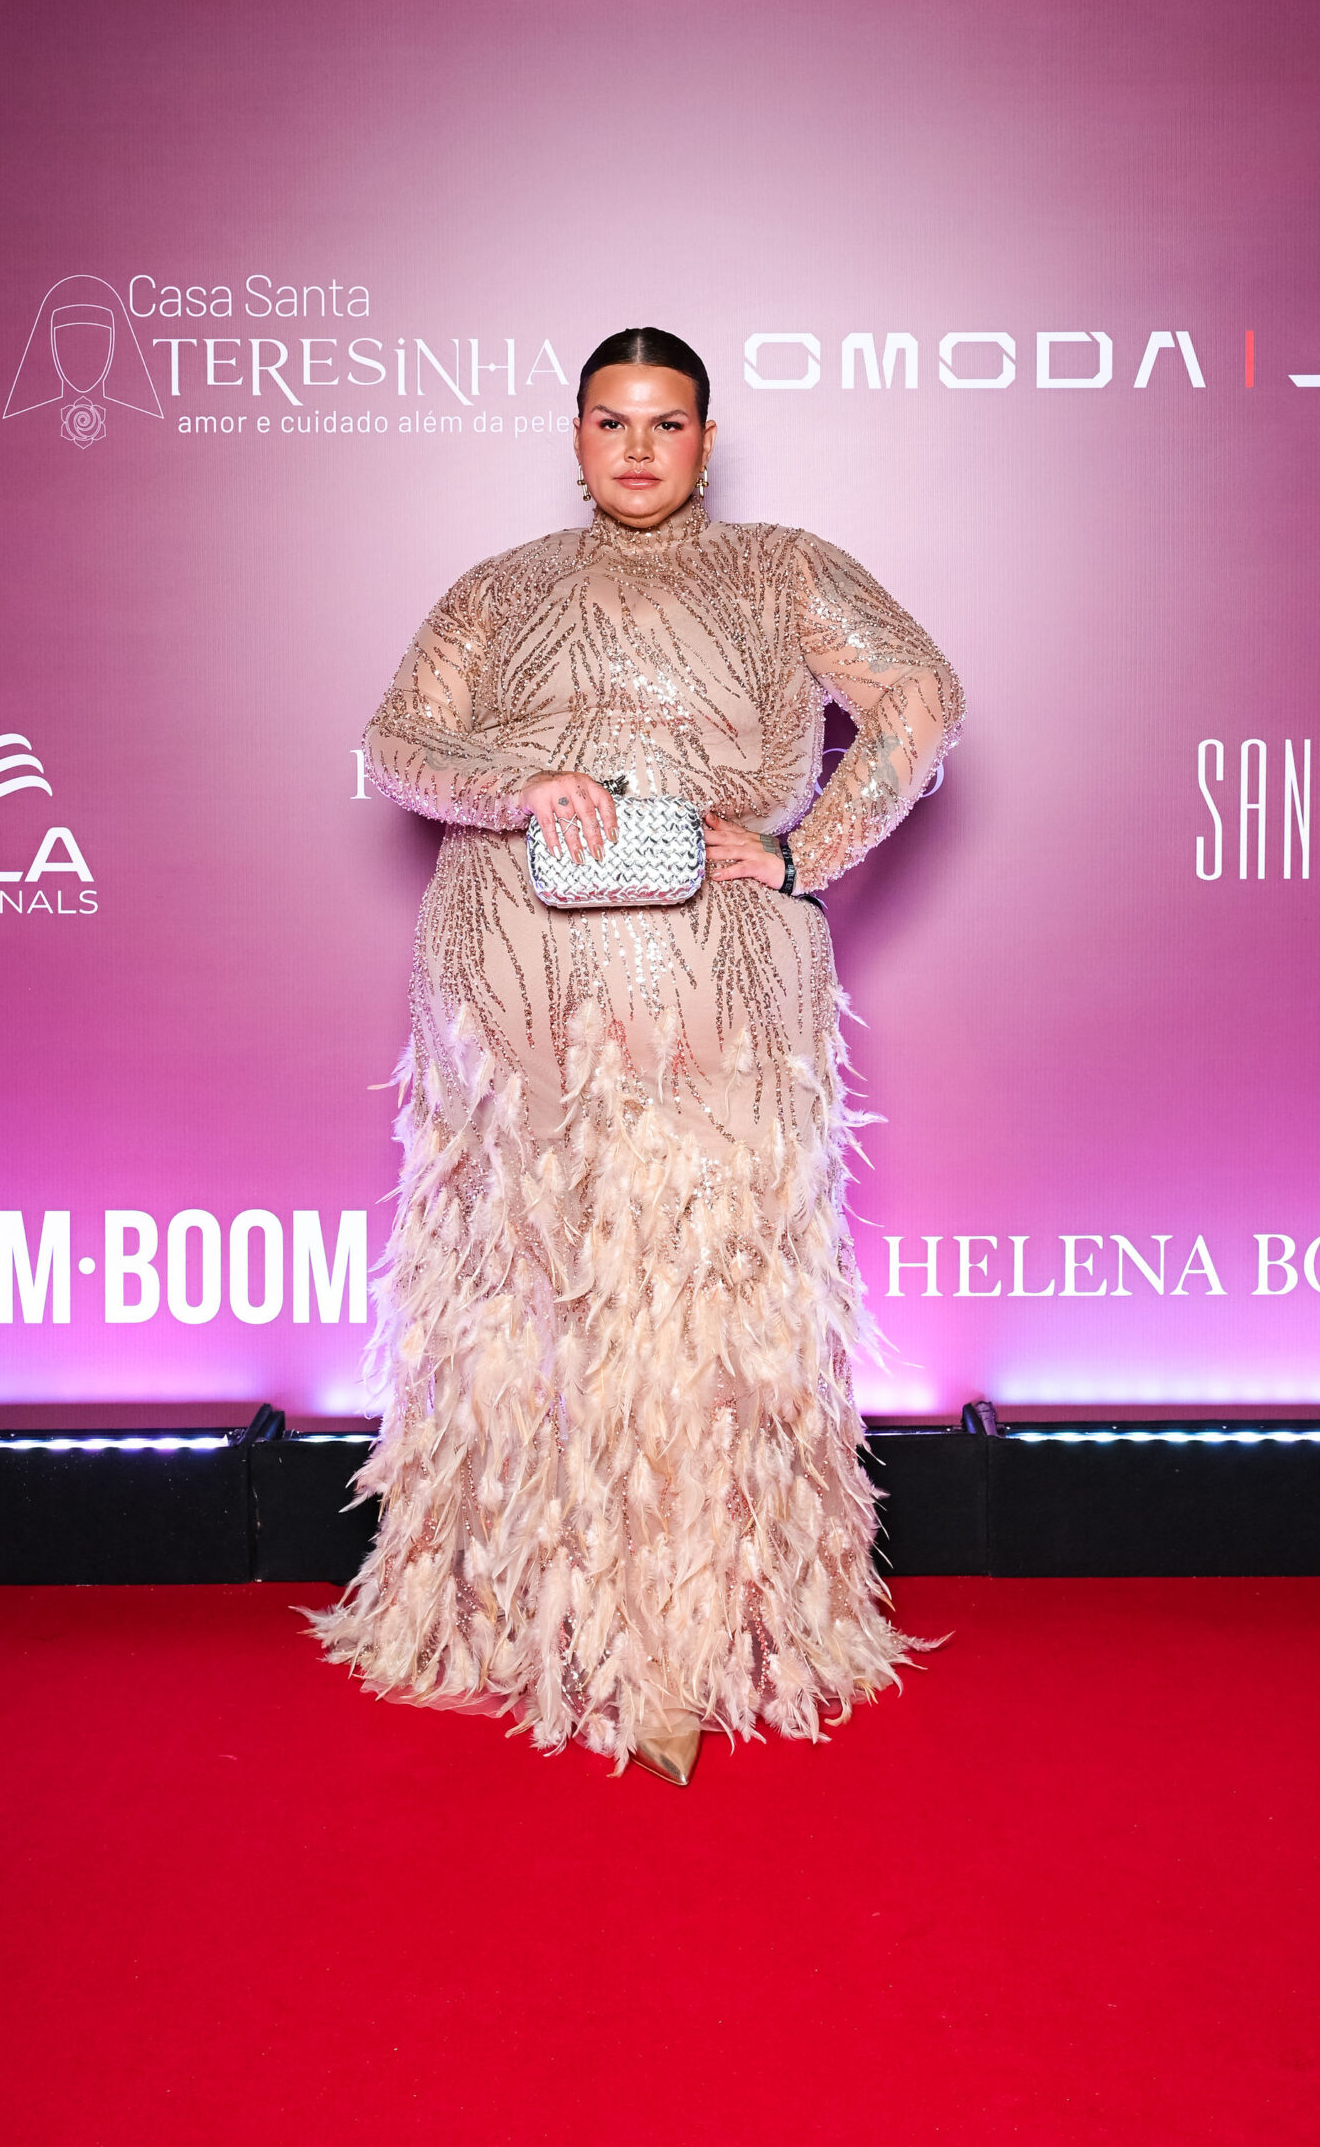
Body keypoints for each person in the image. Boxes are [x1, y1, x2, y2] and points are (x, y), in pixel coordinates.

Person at [315, 327, 964, 1784]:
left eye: (666, 424)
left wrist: (804, 851)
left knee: (706, 1279)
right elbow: (398, 744)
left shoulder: (782, 569)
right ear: (575, 437)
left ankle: (696, 1634)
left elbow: (918, 695)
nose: (637, 449)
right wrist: (521, 781)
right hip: (513, 967)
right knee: (531, 1279)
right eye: (611, 421)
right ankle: (525, 1622)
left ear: (707, 440)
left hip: (715, 968)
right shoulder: (499, 588)